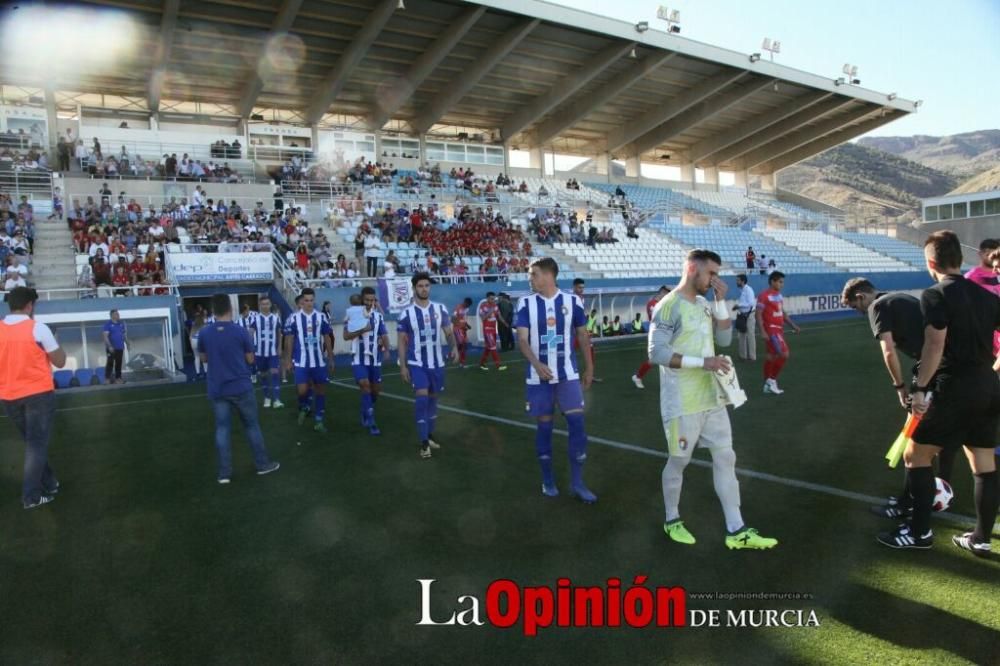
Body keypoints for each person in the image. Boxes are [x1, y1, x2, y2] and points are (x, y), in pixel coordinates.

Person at [876, 231, 1000, 555]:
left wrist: (919, 389)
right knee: (984, 463)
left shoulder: (934, 294)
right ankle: (982, 538)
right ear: (960, 259)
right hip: (988, 385)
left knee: (915, 455)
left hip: (954, 386)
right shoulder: (989, 297)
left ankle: (919, 534)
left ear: (931, 262)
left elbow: (934, 344)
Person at [649, 250, 777, 550]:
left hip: (712, 398)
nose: (715, 280)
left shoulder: (707, 303)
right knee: (679, 460)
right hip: (682, 403)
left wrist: (721, 302)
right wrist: (702, 363)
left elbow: (723, 341)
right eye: (711, 274)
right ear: (692, 268)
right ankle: (672, 520)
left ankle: (737, 530)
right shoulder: (668, 307)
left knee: (726, 457)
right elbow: (657, 353)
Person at [840, 277, 957, 519]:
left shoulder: (877, 307)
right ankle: (913, 497)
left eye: (855, 306)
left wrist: (900, 386)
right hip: (946, 370)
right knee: (926, 437)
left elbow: (889, 350)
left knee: (914, 442)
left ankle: (908, 504)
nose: (858, 311)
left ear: (861, 297)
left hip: (933, 371)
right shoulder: (901, 297)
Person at [516, 257, 596, 501]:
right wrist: (536, 363)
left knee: (578, 426)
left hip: (567, 375)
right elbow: (522, 339)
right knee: (545, 428)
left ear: (549, 275)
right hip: (538, 378)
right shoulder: (525, 303)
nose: (531, 279)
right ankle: (548, 480)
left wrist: (589, 367)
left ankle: (578, 483)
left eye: (534, 274)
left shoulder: (573, 302)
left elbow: (582, 336)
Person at [196, 294, 280, 484]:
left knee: (222, 429)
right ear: (230, 308)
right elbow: (251, 359)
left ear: (213, 310)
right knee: (251, 426)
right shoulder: (240, 331)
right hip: (241, 386)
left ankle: (224, 473)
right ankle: (262, 464)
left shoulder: (205, 333)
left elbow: (204, 359)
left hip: (218, 388)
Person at [0, 287, 67, 509]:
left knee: (33, 443)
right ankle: (31, 496)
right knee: (36, 444)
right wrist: (56, 342)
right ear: (29, 306)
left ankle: (49, 482)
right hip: (38, 395)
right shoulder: (38, 329)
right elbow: (60, 361)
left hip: (9, 397)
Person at [397, 273, 459, 459]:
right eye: (420, 286)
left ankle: (429, 435)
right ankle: (424, 443)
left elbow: (448, 332)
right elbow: (401, 341)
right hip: (417, 363)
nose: (424, 289)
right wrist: (403, 366)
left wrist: (454, 347)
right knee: (422, 399)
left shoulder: (440, 309)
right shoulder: (406, 313)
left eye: (427, 285)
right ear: (414, 288)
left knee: (433, 400)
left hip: (437, 363)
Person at [283, 288, 335, 433]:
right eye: (306, 300)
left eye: (311, 300)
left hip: (318, 361)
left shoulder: (321, 317)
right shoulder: (294, 318)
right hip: (301, 361)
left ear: (314, 300)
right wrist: (288, 360)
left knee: (321, 390)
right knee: (302, 390)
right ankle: (304, 405)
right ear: (302, 302)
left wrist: (330, 357)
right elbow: (289, 340)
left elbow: (326, 337)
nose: (309, 303)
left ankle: (319, 420)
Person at [344, 286, 390, 436]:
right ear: (362, 300)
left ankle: (365, 409)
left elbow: (384, 334)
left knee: (375, 391)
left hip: (375, 359)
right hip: (359, 358)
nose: (370, 302)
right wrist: (362, 330)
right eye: (367, 300)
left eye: (372, 300)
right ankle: (372, 422)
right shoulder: (352, 315)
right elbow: (345, 336)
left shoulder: (378, 317)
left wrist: (387, 349)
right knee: (365, 385)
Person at [757, 271, 800, 394]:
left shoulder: (779, 295)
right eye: (780, 282)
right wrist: (763, 331)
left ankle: (767, 385)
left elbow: (783, 313)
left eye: (782, 282)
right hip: (771, 330)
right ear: (772, 281)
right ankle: (772, 380)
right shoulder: (763, 296)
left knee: (771, 356)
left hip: (779, 329)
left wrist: (793, 325)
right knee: (784, 354)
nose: (782, 284)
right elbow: (758, 314)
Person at [964, 238, 1000, 360]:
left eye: (993, 252)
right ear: (980, 253)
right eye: (987, 252)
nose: (990, 256)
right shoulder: (970, 278)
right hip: (986, 342)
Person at [632, 285, 670, 389]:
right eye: (667, 293)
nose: (668, 295)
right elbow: (658, 319)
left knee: (669, 357)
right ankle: (638, 376)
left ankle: (670, 381)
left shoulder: (662, 304)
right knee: (654, 359)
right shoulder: (653, 304)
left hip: (665, 334)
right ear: (662, 292)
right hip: (657, 335)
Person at [255, 296, 284, 409]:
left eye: (267, 303)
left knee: (275, 372)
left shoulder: (276, 318)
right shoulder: (255, 318)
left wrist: (279, 347)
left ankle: (276, 400)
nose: (265, 306)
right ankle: (267, 397)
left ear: (270, 304)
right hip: (259, 353)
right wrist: (250, 348)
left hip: (272, 352)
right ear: (260, 305)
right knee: (263, 375)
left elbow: (279, 333)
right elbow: (250, 333)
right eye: (263, 304)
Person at [572, 278, 601, 382]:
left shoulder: (582, 298)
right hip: (573, 332)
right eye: (579, 287)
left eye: (583, 288)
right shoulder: (570, 298)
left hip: (581, 331)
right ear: (574, 287)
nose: (581, 289)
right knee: (568, 351)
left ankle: (590, 374)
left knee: (590, 349)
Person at [478, 291, 508, 371]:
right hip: (487, 330)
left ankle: (482, 364)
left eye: (494, 299)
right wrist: (490, 312)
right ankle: (498, 365)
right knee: (493, 347)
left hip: (494, 330)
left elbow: (499, 316)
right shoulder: (483, 306)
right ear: (487, 298)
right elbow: (483, 318)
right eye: (491, 299)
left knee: (488, 348)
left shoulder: (495, 306)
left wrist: (505, 323)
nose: (493, 300)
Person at [733, 274, 756, 361]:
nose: (736, 282)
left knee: (750, 335)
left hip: (749, 315)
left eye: (738, 280)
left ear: (742, 281)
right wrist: (738, 307)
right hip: (743, 315)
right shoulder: (742, 290)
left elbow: (751, 303)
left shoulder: (748, 290)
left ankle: (752, 357)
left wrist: (738, 305)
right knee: (742, 335)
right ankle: (743, 356)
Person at [102, 309, 128, 384]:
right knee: (110, 363)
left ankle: (118, 379)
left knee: (119, 363)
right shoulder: (108, 324)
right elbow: (105, 336)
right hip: (111, 348)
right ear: (112, 315)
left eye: (118, 314)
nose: (118, 315)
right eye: (116, 314)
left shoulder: (121, 324)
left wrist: (127, 343)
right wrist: (109, 346)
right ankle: (107, 379)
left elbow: (123, 335)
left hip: (120, 347)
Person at [452, 297, 473, 367]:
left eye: (469, 305)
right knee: (461, 344)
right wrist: (459, 325)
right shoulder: (458, 307)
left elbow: (464, 319)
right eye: (467, 304)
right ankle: (454, 355)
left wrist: (467, 325)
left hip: (464, 329)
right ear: (464, 302)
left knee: (465, 345)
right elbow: (453, 319)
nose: (467, 306)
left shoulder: (467, 309)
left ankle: (461, 362)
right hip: (457, 329)